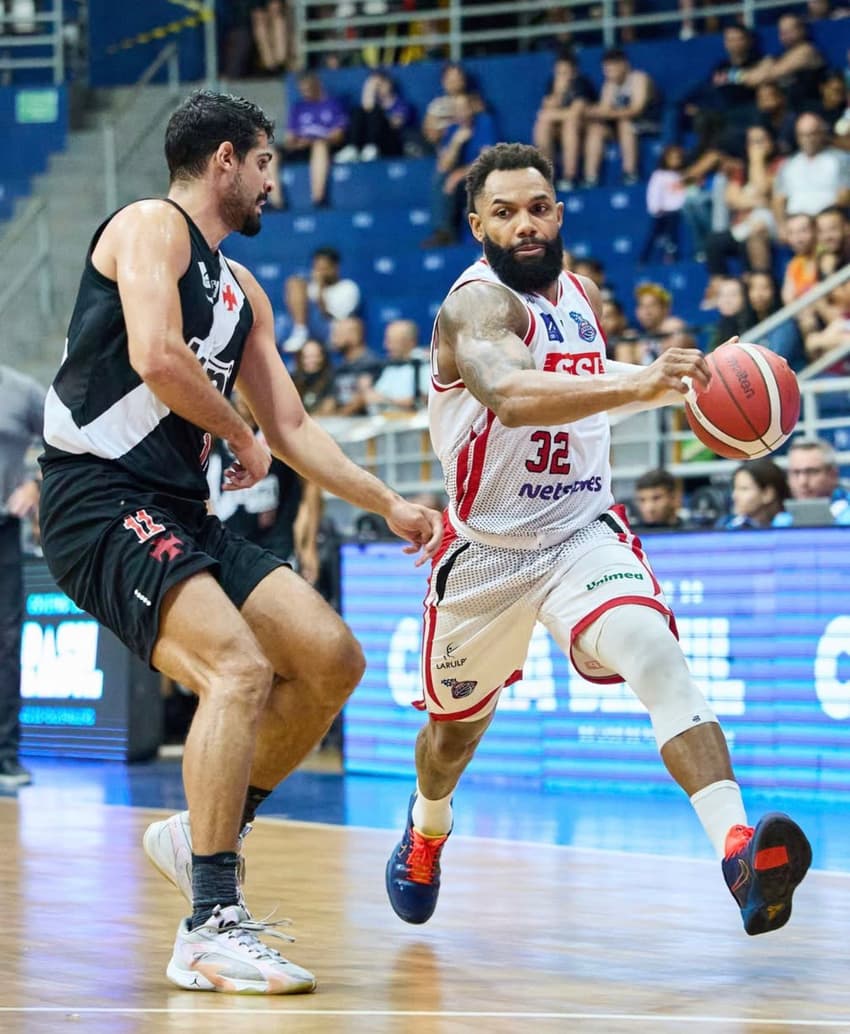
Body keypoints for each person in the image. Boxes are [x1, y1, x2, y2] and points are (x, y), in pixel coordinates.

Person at [38, 90, 442, 994]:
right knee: (239, 669)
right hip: (97, 496)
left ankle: (201, 834)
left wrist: (389, 503)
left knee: (331, 658)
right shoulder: (150, 226)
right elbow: (156, 355)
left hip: (182, 511)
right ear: (225, 159)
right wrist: (237, 432)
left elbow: (293, 425)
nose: (275, 184)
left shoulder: (243, 288)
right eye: (267, 164)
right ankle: (210, 924)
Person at [384, 141, 811, 940]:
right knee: (451, 738)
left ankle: (739, 849)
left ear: (559, 212)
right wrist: (646, 380)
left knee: (655, 650)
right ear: (476, 223)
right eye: (503, 212)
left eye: (538, 207)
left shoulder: (576, 294)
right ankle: (428, 826)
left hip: (583, 531)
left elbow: (584, 385)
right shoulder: (474, 308)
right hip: (487, 554)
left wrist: (666, 389)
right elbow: (511, 394)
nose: (524, 224)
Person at [0, 364, 45, 790]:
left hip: (3, 533)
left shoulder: (20, 389)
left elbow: (64, 437)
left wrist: (34, 482)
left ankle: (5, 757)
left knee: (7, 643)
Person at [581, 49, 659, 188]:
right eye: (606, 69)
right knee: (596, 129)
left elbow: (637, 109)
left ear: (624, 65)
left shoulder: (639, 78)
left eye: (611, 68)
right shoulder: (609, 84)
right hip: (621, 125)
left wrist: (604, 112)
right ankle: (591, 177)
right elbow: (604, 110)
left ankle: (630, 172)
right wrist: (591, 111)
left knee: (625, 123)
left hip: (649, 122)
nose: (608, 73)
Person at [280, 72, 348, 207]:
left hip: (324, 145)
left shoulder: (333, 104)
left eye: (308, 88)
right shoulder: (298, 108)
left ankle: (318, 198)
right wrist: (295, 143)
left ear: (317, 85)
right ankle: (277, 203)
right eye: (302, 90)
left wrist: (312, 141)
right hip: (300, 147)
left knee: (319, 146)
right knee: (270, 152)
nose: (305, 92)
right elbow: (289, 137)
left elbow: (339, 135)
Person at [531, 51, 596, 191]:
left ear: (574, 72)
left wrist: (550, 115)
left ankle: (569, 177)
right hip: (562, 126)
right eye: (559, 72)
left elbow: (575, 113)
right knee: (542, 125)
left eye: (566, 72)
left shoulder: (582, 83)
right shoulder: (552, 84)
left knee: (569, 125)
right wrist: (558, 93)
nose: (562, 75)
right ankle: (546, 176)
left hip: (585, 127)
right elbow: (546, 109)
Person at [280, 245, 361, 353]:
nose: (319, 273)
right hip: (307, 328)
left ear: (335, 268)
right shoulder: (310, 286)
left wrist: (320, 288)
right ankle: (299, 332)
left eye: (324, 269)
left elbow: (329, 316)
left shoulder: (348, 287)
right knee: (294, 283)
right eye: (316, 268)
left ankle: (300, 333)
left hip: (332, 331)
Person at [783, 437, 850, 522]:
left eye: (812, 472)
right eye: (796, 472)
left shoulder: (846, 518)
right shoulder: (782, 521)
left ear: (833, 475)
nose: (803, 482)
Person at [717, 459, 790, 529]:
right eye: (735, 488)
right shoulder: (727, 525)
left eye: (744, 489)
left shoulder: (792, 525)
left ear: (768, 494)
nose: (734, 496)